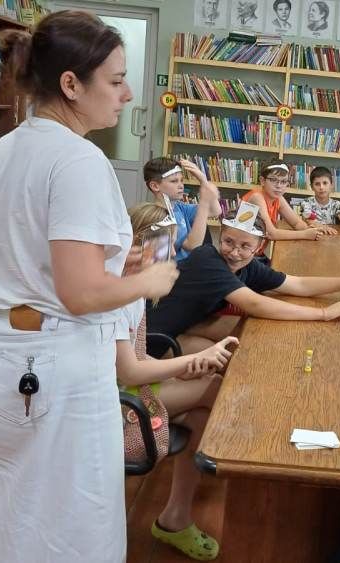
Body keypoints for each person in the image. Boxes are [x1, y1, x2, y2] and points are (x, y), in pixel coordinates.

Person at [0, 11, 178, 562]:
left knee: (2, 516)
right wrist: (147, 279)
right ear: (71, 85)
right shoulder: (79, 160)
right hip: (54, 367)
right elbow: (79, 294)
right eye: (116, 80)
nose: (127, 94)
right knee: (70, 525)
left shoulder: (6, 148)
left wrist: (115, 268)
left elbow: (32, 260)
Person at [116, 203, 238, 560]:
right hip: (117, 400)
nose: (172, 254)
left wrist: (180, 369)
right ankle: (234, 477)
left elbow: (136, 358)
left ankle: (175, 517)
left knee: (202, 411)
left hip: (131, 386)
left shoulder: (133, 292)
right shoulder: (121, 296)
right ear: (137, 246)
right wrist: (185, 363)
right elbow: (128, 373)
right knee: (216, 389)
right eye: (164, 245)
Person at [146, 206, 340, 355]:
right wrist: (324, 313)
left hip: (186, 326)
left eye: (245, 246)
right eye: (228, 242)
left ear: (259, 247)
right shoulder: (208, 259)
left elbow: (298, 284)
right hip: (153, 340)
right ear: (220, 236)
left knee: (247, 342)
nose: (234, 252)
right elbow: (255, 304)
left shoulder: (248, 265)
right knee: (234, 360)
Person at [243, 159, 331, 257]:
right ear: (262, 181)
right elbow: (271, 233)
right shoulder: (256, 197)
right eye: (273, 180)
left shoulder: (278, 198)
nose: (279, 186)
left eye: (283, 181)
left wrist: (313, 230)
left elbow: (296, 223)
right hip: (240, 256)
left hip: (253, 255)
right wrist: (305, 234)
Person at [144, 157, 221, 261]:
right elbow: (192, 245)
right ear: (155, 186)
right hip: (173, 269)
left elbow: (215, 211)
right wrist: (204, 202)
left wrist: (203, 180)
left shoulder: (180, 207)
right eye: (174, 181)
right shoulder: (156, 216)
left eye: (181, 180)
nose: (181, 186)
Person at [301, 166, 340, 237]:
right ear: (312, 187)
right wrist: (324, 227)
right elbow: (309, 221)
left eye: (325, 183)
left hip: (330, 236)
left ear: (331, 185)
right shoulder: (306, 203)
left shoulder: (336, 204)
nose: (321, 187)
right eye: (317, 184)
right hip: (312, 236)